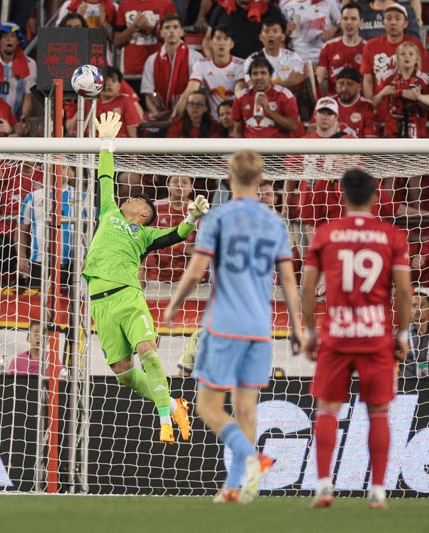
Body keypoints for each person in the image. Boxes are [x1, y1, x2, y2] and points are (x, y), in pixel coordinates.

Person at [163, 149, 302, 503]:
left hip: (224, 324)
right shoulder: (275, 222)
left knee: (208, 406)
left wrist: (175, 304)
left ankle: (254, 460)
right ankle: (237, 488)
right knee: (245, 410)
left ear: (228, 177)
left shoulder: (218, 218)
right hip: (260, 328)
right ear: (261, 180)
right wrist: (298, 328)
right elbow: (288, 279)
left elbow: (196, 272)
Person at [84, 111, 205, 444]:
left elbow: (176, 234)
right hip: (98, 303)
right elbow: (104, 178)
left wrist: (192, 218)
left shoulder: (144, 234)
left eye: (137, 199)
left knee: (148, 350)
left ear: (143, 214)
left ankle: (165, 420)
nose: (130, 197)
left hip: (126, 295)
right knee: (123, 373)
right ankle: (173, 405)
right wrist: (107, 143)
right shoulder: (108, 212)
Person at [301, 167, 413, 509]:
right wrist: (402, 333)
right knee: (378, 412)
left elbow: (307, 287)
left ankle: (323, 485)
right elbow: (404, 291)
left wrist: (309, 331)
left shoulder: (326, 233)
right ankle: (377, 491)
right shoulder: (392, 235)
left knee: (328, 409)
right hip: (375, 334)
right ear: (376, 197)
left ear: (343, 196)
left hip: (336, 333)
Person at [16, 166, 81, 289]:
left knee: (70, 305)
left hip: (72, 263)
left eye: (63, 168)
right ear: (46, 170)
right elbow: (21, 230)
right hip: (40, 262)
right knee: (36, 304)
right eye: (54, 168)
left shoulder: (79, 197)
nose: (59, 171)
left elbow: (90, 229)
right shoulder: (33, 197)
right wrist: (22, 256)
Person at [140, 14, 203, 123]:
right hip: (161, 114)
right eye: (167, 27)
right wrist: (156, 113)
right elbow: (148, 93)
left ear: (182, 32)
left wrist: (178, 112)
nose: (171, 31)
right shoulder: (151, 60)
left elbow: (197, 91)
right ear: (161, 32)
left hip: (187, 114)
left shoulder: (196, 58)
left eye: (175, 27)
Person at [173, 26, 244, 120]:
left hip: (234, 119)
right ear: (211, 43)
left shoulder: (242, 65)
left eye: (226, 39)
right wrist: (176, 114)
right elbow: (190, 90)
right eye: (218, 38)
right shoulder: (202, 64)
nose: (221, 43)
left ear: (231, 44)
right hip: (211, 121)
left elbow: (241, 94)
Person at [144, 174, 204, 285]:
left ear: (191, 187)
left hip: (187, 274)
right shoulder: (155, 207)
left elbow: (207, 241)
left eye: (184, 182)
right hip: (157, 274)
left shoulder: (198, 210)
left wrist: (197, 248)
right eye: (175, 181)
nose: (179, 185)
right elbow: (145, 239)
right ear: (168, 185)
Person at [0, 22, 37, 131]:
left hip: (14, 118)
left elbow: (28, 97)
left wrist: (24, 119)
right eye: (5, 37)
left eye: (13, 36)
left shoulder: (30, 64)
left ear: (18, 41)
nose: (9, 39)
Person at [360, 3, 424, 102]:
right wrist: (370, 104)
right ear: (383, 23)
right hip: (380, 103)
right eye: (389, 18)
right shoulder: (370, 46)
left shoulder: (415, 45)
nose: (393, 22)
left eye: (397, 18)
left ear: (405, 23)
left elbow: (419, 76)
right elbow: (368, 80)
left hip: (408, 102)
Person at [372, 41, 429, 139]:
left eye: (411, 54)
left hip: (416, 131)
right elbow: (373, 103)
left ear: (416, 59)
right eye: (403, 54)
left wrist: (419, 97)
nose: (407, 56)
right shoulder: (388, 76)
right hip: (392, 130)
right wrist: (382, 93)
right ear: (397, 59)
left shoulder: (423, 79)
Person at [231, 55, 300, 138]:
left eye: (263, 73)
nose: (259, 77)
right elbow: (238, 130)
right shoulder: (241, 97)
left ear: (270, 76)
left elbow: (294, 127)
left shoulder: (284, 95)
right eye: (255, 74)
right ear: (250, 77)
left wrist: (269, 111)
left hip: (277, 148)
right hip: (251, 148)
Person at [65, 66, 142, 137]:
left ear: (119, 86)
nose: (109, 84)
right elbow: (71, 130)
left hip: (117, 148)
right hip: (92, 148)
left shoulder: (126, 102)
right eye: (106, 80)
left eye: (114, 81)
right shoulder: (89, 102)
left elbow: (132, 135)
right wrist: (82, 109)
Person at [201, 0, 286, 60]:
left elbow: (279, 41)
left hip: (260, 67)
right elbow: (207, 39)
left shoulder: (270, 10)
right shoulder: (220, 10)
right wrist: (213, 62)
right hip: (229, 68)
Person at [239, 18, 306, 94]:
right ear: (260, 37)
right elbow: (252, 85)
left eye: (275, 31)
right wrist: (286, 84)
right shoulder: (252, 60)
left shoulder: (293, 56)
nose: (270, 35)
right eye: (266, 32)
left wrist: (268, 83)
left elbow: (296, 82)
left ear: (282, 37)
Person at [113, 0, 177, 76]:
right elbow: (117, 42)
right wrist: (134, 27)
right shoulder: (124, 5)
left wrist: (150, 29)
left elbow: (174, 39)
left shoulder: (166, 4)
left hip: (159, 67)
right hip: (131, 69)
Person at [316, 3, 366, 96]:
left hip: (358, 102)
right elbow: (319, 78)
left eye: (353, 19)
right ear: (341, 21)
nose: (349, 22)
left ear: (361, 22)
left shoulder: (367, 48)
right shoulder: (328, 47)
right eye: (345, 18)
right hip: (334, 103)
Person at [280, 0, 340, 66]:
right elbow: (281, 35)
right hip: (300, 57)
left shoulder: (328, 1)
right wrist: (288, 31)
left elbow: (341, 20)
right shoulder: (284, 4)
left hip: (324, 55)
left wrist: (333, 29)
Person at [331, 66, 378, 138]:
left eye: (349, 84)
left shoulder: (367, 106)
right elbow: (313, 130)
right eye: (341, 83)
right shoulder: (328, 103)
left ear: (359, 86)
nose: (344, 88)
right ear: (336, 85)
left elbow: (371, 140)